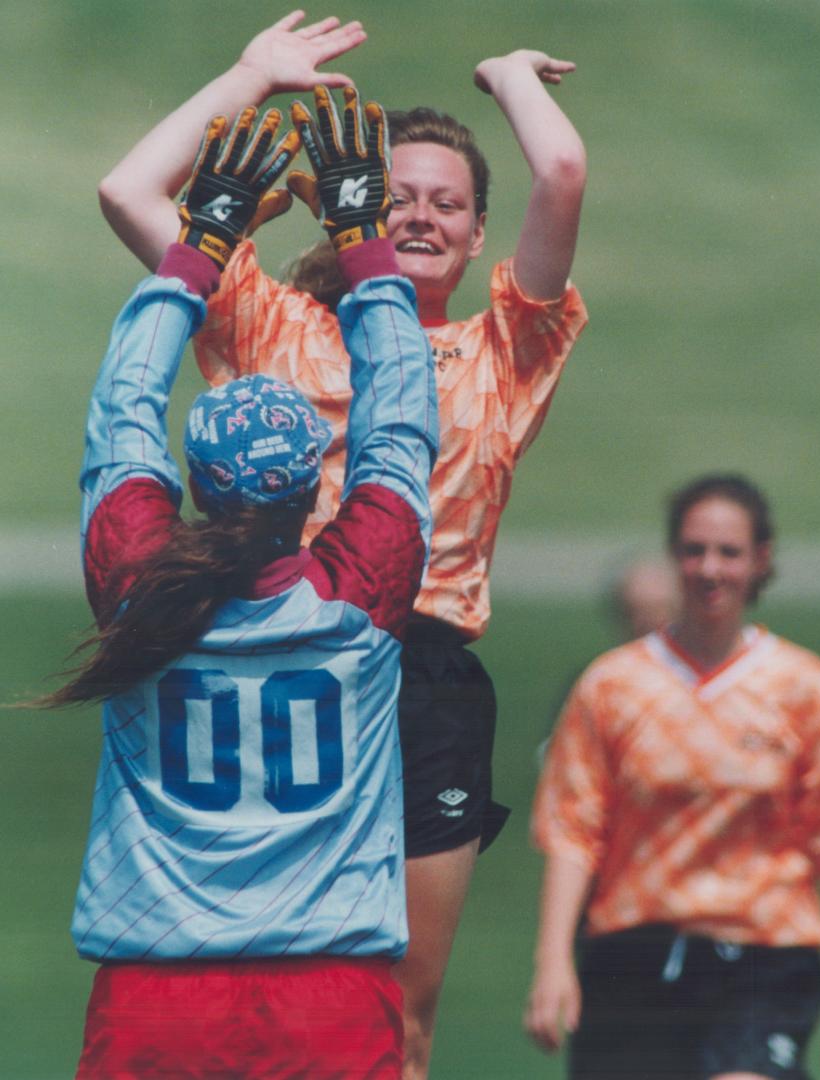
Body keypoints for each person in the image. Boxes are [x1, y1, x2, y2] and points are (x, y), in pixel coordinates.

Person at [98, 13, 588, 1076]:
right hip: (281, 654)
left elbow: (560, 169)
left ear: (473, 236)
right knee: (249, 982)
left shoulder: (503, 347)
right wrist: (250, 76)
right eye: (397, 194)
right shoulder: (270, 319)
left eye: (448, 203)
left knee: (397, 1022)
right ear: (346, 205)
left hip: (420, 674)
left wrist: (508, 76)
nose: (420, 214)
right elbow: (130, 195)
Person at [58, 89, 437, 1075]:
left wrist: (199, 245)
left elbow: (122, 405)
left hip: (153, 998)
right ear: (317, 480)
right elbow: (401, 420)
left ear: (192, 479)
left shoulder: (139, 583)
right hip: (331, 997)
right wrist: (364, 240)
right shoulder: (360, 593)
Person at [526, 475, 820, 1080]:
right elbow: (573, 830)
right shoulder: (611, 684)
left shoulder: (805, 689)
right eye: (694, 550)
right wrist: (553, 958)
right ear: (674, 557)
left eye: (729, 552)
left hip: (761, 959)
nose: (710, 569)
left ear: (760, 560)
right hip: (634, 956)